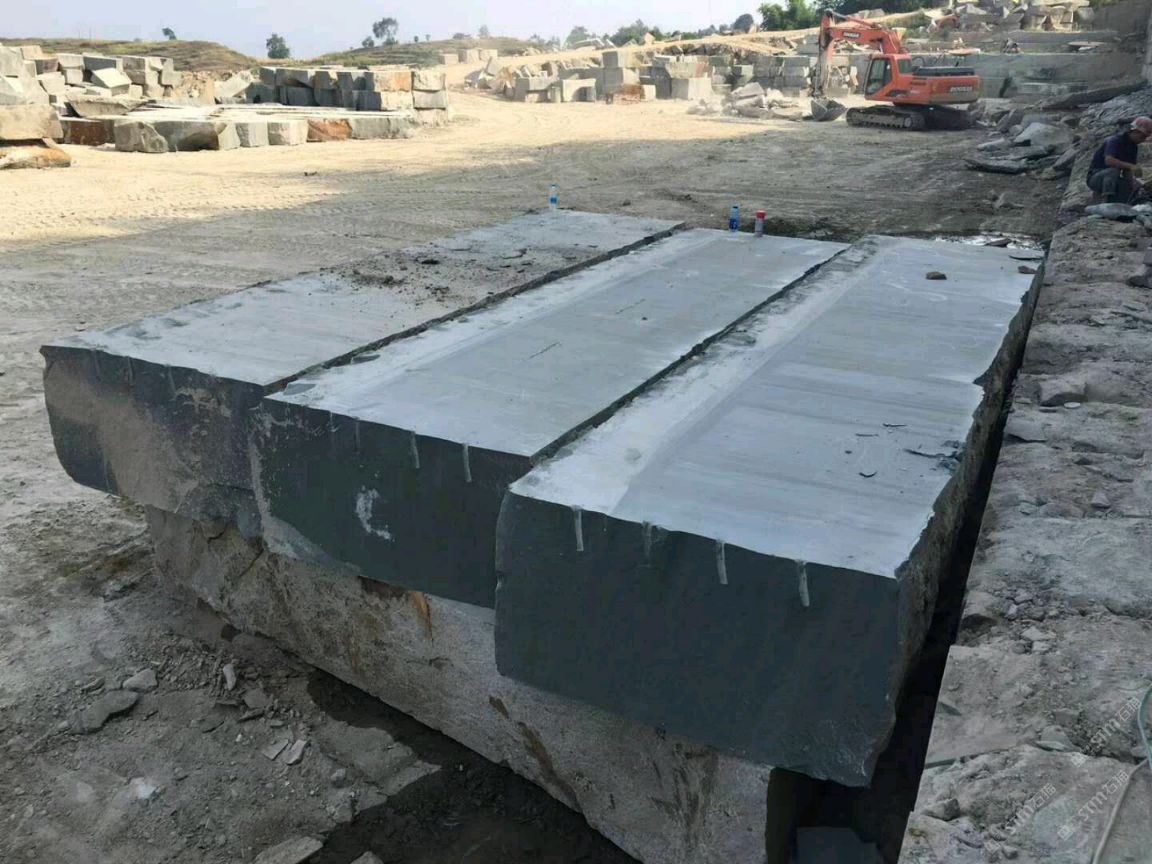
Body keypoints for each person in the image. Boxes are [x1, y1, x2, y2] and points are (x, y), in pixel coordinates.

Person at [1086, 117, 1152, 204]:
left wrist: (1134, 182)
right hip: (1095, 178)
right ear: (1135, 131)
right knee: (1113, 171)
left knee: (1127, 185)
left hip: (1112, 178)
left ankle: (1121, 204)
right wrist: (1131, 166)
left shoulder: (1133, 147)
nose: (1142, 140)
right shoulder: (1114, 141)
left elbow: (1127, 171)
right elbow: (1109, 161)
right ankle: (1106, 201)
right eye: (1142, 137)